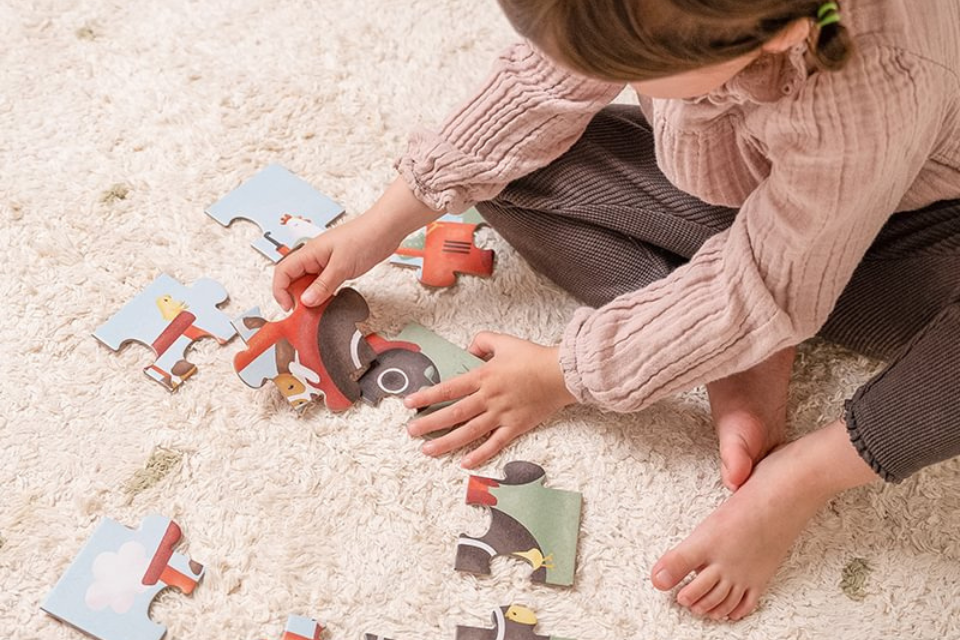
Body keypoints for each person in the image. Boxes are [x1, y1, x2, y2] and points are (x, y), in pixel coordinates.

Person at [274, 0, 960, 620]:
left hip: (920, 238)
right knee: (517, 169)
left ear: (780, 36)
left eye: (626, 71)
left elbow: (767, 288)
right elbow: (540, 90)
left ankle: (804, 474)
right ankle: (729, 338)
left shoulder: (880, 78)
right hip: (763, 191)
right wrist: (383, 221)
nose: (594, 76)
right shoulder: (682, 24)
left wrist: (564, 372)